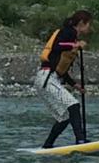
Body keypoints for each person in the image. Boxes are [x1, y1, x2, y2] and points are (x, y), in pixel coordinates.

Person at [34, 9, 92, 148]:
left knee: (64, 117)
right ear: (81, 23)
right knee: (73, 105)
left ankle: (48, 145)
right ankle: (80, 140)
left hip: (48, 78)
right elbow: (56, 46)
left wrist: (74, 85)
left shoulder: (71, 35)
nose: (89, 27)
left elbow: (61, 68)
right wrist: (74, 45)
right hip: (47, 78)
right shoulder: (68, 32)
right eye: (88, 24)